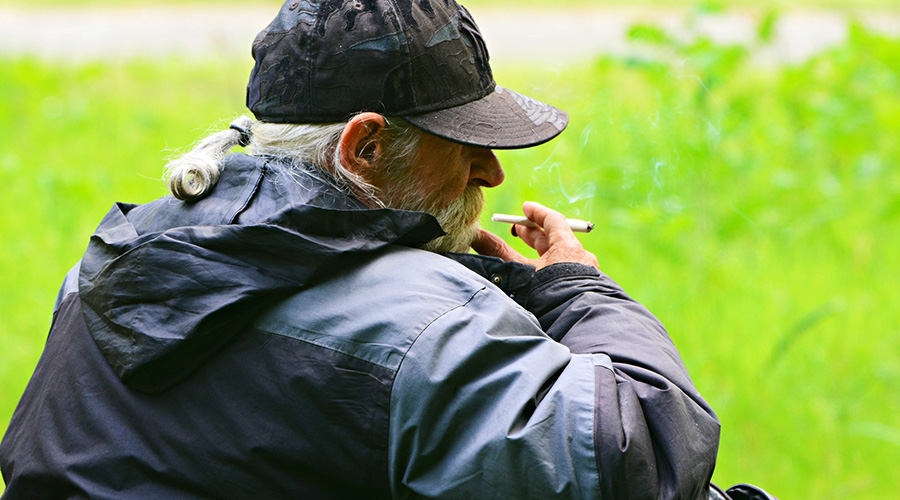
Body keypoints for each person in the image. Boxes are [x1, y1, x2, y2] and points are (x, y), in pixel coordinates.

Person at [1, 1, 770, 499]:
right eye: (462, 143)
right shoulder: (427, 325)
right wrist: (575, 289)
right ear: (364, 148)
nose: (492, 173)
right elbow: (648, 467)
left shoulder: (104, 267)